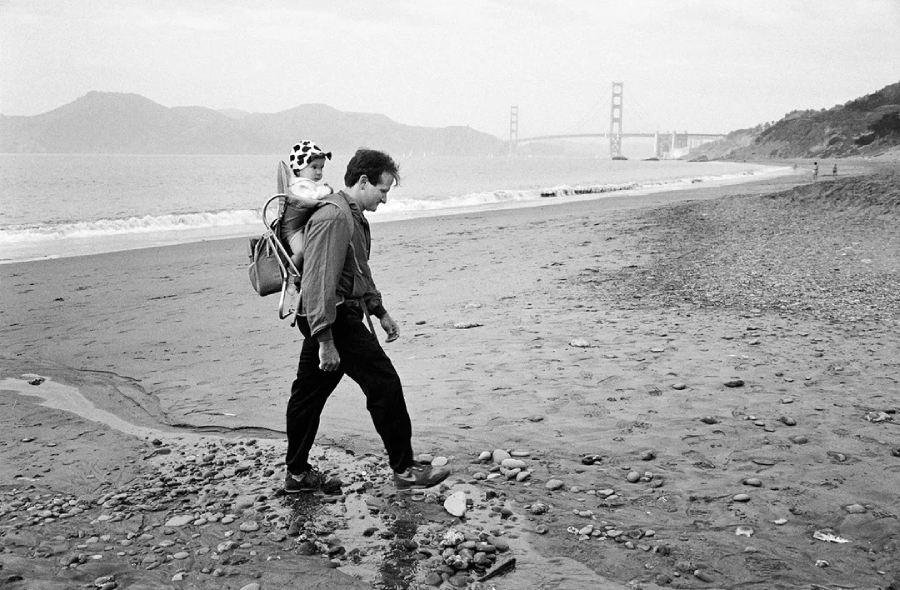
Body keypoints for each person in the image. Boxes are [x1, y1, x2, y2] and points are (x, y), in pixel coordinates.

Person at [283, 148, 450, 493]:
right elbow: (317, 282)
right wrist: (326, 339)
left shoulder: (353, 216)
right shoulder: (334, 218)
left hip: (333, 315)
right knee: (384, 385)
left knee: (308, 397)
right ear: (363, 181)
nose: (385, 199)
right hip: (333, 318)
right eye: (383, 190)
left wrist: (380, 311)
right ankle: (403, 469)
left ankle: (297, 475)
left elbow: (358, 271)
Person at [282, 141, 334, 269]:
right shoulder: (299, 185)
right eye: (314, 167)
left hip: (301, 226)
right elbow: (312, 197)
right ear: (299, 169)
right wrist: (327, 189)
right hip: (291, 230)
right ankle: (290, 273)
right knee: (301, 251)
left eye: (321, 168)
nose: (318, 172)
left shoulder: (307, 184)